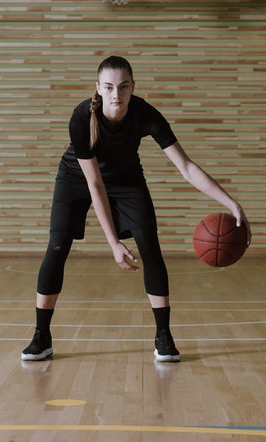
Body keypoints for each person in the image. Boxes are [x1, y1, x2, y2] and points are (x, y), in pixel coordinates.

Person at [21, 55, 248, 362]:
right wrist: (113, 242)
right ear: (98, 88)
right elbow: (95, 184)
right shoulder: (81, 118)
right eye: (109, 87)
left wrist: (231, 203)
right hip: (78, 178)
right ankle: (41, 336)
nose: (117, 94)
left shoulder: (145, 114)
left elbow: (186, 167)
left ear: (133, 88)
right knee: (58, 244)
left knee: (149, 243)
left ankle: (163, 336)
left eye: (124, 87)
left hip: (126, 178)